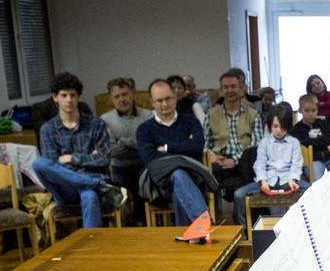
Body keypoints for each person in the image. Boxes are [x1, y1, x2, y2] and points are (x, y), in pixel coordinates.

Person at [32, 72, 126, 230]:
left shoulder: (97, 124)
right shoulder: (48, 129)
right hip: (64, 187)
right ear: (55, 97)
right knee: (39, 163)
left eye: (73, 95)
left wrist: (71, 158)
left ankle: (92, 248)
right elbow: (53, 167)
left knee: (89, 195)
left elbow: (103, 159)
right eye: (64, 95)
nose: (69, 100)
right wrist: (89, 159)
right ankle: (97, 186)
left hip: (90, 181)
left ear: (79, 97)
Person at [136, 79, 216, 227]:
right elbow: (151, 160)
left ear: (175, 98)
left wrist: (166, 149)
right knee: (179, 173)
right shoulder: (144, 130)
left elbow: (197, 147)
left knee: (179, 179)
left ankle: (194, 233)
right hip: (160, 186)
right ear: (151, 102)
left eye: (167, 99)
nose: (164, 104)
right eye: (159, 100)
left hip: (194, 180)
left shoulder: (191, 121)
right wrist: (184, 150)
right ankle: (204, 224)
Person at [233, 102, 309, 226]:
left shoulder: (294, 142)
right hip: (267, 182)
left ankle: (307, 226)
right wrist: (262, 181)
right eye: (275, 126)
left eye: (283, 127)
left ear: (288, 126)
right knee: (238, 194)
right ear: (269, 126)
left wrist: (293, 178)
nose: (279, 131)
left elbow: (296, 163)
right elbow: (260, 164)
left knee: (311, 190)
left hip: (288, 182)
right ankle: (242, 230)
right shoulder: (264, 143)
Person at [100, 76, 152, 224]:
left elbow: (148, 145)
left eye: (124, 94)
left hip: (144, 166)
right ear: (111, 98)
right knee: (123, 195)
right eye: (117, 96)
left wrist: (122, 141)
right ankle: (128, 228)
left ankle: (148, 227)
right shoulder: (105, 119)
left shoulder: (147, 115)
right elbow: (112, 151)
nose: (122, 99)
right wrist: (137, 144)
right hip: (119, 168)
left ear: (131, 94)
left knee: (146, 185)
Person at [205, 69, 260, 197]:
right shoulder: (211, 115)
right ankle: (213, 213)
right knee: (206, 172)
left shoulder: (253, 115)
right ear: (221, 91)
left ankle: (247, 210)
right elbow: (205, 144)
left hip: (245, 161)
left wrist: (235, 160)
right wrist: (213, 156)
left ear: (241, 90)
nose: (230, 90)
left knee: (253, 159)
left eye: (234, 86)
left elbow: (256, 145)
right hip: (220, 161)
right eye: (226, 87)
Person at [290, 94, 330, 181]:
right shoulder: (296, 130)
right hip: (312, 161)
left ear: (317, 110)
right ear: (300, 110)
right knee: (318, 182)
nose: (311, 114)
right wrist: (325, 147)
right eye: (307, 111)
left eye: (314, 110)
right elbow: (304, 145)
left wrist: (313, 143)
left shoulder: (324, 124)